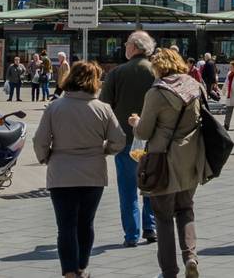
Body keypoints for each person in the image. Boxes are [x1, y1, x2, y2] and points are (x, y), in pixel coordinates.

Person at [33, 60, 124, 278]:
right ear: (95, 81)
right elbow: (119, 140)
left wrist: (45, 157)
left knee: (65, 226)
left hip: (61, 173)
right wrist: (104, 150)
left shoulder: (55, 107)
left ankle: (69, 273)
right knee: (86, 223)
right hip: (93, 173)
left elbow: (40, 140)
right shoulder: (103, 109)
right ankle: (82, 266)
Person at [130, 46, 210, 278]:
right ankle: (191, 257)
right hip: (193, 158)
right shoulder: (195, 86)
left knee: (163, 216)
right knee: (185, 209)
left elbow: (144, 132)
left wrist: (135, 122)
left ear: (158, 67)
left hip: (162, 161)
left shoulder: (156, 93)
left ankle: (169, 271)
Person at [99, 30, 157, 248]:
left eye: (126, 44)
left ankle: (132, 234)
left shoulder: (117, 73)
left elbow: (105, 107)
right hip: (152, 139)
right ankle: (151, 228)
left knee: (127, 189)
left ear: (134, 47)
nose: (124, 47)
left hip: (124, 140)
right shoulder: (156, 72)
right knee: (150, 184)